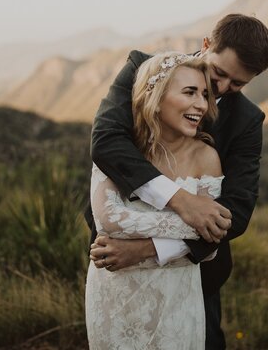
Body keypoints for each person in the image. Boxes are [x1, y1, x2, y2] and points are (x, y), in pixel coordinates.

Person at [88, 13, 268, 349]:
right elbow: (106, 140)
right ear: (206, 45)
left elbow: (238, 211)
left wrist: (147, 250)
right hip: (115, 259)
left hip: (195, 271)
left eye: (238, 84)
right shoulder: (142, 70)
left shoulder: (248, 120)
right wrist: (180, 200)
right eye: (219, 74)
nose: (222, 89)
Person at [85, 52, 226, 349]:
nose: (201, 105)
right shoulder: (120, 149)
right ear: (157, 96)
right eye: (189, 92)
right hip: (115, 295)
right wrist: (195, 223)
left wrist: (139, 248)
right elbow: (110, 221)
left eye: (203, 94)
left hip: (177, 298)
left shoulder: (207, 157)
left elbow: (212, 247)